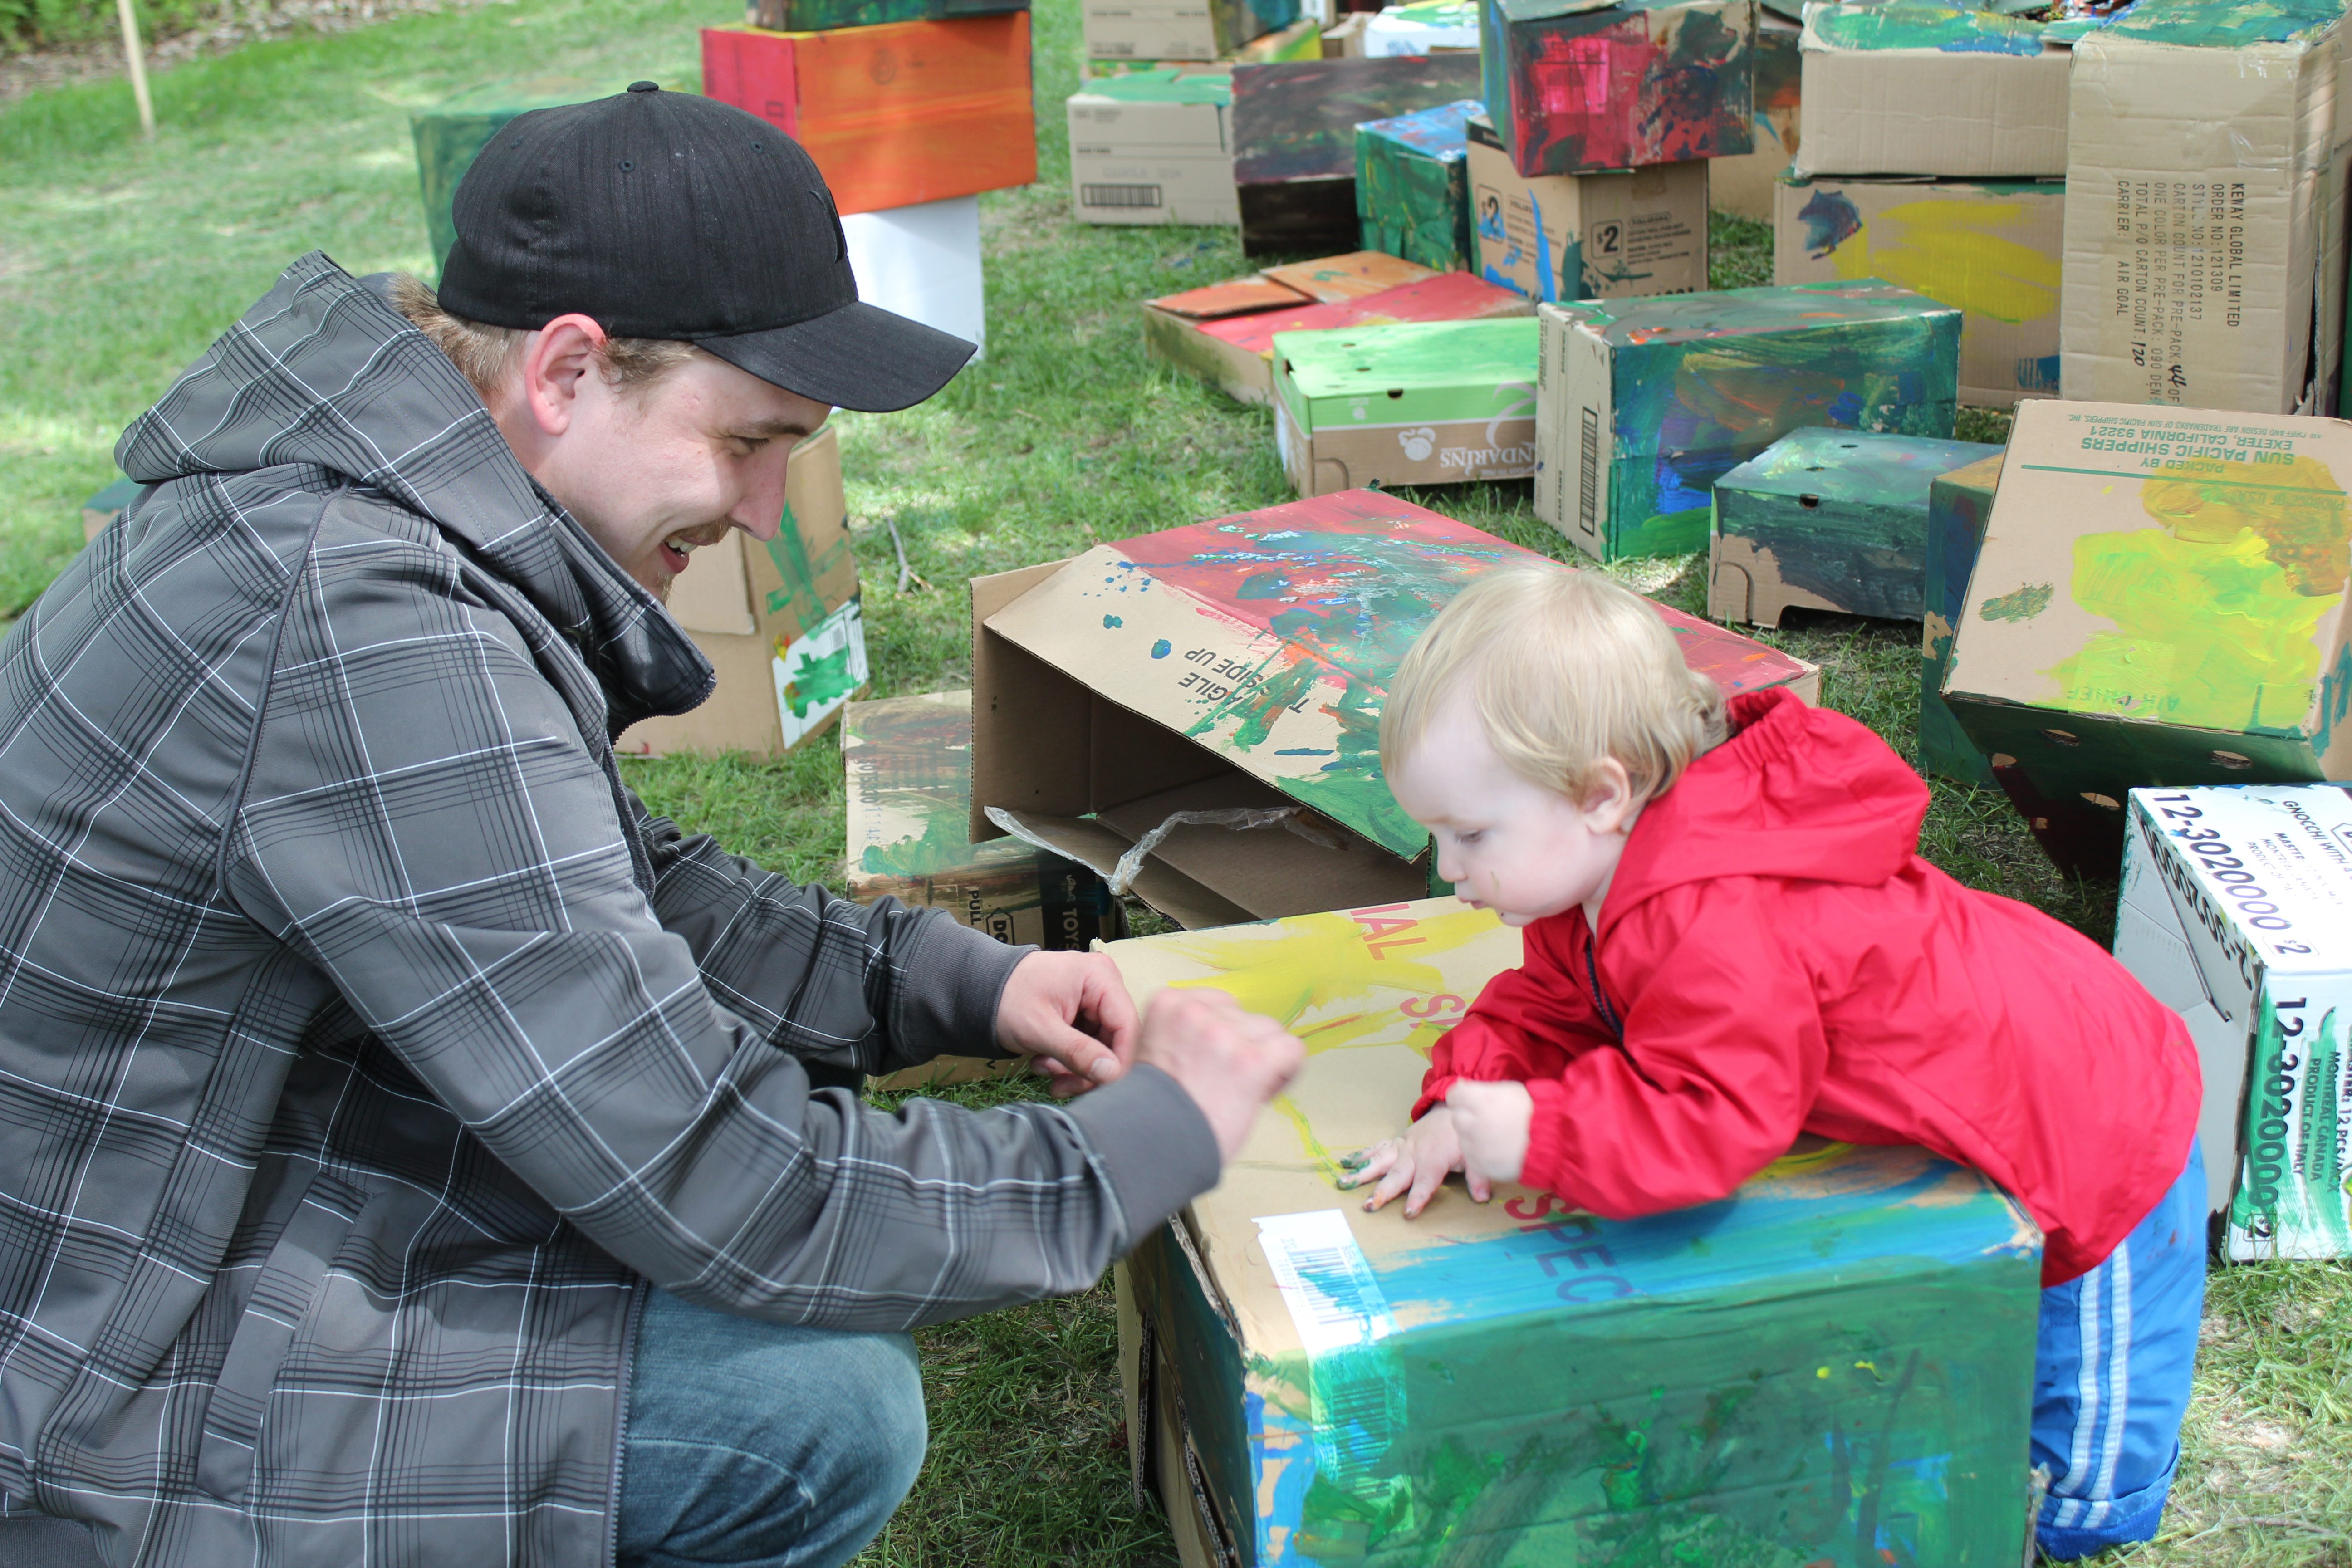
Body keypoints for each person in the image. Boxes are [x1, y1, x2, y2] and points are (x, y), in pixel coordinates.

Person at [0, 85, 1303, 1567]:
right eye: (747, 440)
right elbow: (722, 1180)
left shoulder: (372, 515)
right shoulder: (364, 623)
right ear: (565, 369)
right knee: (810, 1412)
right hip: (88, 1378)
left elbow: (598, 879)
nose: (764, 509)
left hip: (221, 1196)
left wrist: (950, 981)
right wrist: (1131, 1152)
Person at [1342, 565, 2206, 1560]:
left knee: (2077, 1427)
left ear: (1598, 794)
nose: (1448, 874)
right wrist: (1459, 1098)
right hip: (2032, 1065)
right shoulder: (1609, 874)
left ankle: (2085, 1521)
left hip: (2103, 1124)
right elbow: (1553, 1006)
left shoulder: (1719, 923)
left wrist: (1542, 1132)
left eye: (1468, 835)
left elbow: (1710, 1121)